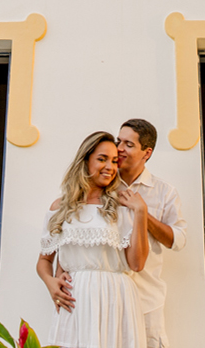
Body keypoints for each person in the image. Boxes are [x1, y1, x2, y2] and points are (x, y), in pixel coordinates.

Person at [37, 131, 149, 348]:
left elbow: (137, 264)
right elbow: (44, 260)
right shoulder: (60, 208)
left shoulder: (123, 206)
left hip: (116, 298)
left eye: (114, 161)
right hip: (74, 300)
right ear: (85, 160)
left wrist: (141, 212)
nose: (110, 167)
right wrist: (50, 283)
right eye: (102, 159)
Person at [114, 119, 187, 348]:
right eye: (118, 141)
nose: (119, 149)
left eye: (128, 144)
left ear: (147, 153)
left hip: (145, 300)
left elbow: (178, 240)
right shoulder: (103, 185)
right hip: (107, 297)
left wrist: (143, 213)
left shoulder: (164, 192)